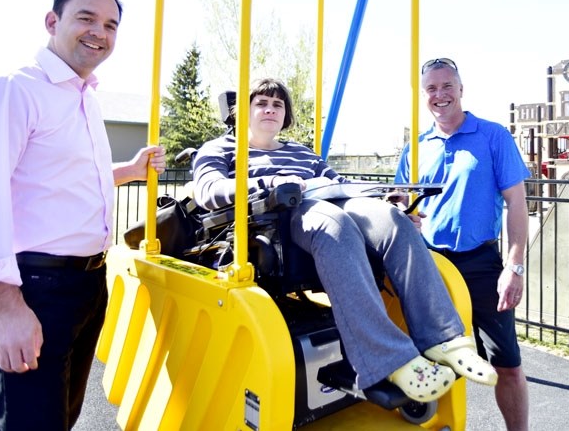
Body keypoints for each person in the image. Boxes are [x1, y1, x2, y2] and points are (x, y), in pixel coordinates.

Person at [192, 77, 497, 403]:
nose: (270, 109)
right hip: (279, 220)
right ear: (243, 112)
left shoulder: (302, 153)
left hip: (326, 205)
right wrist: (273, 183)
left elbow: (340, 184)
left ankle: (445, 338)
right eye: (261, 103)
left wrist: (386, 199)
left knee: (393, 221)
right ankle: (388, 359)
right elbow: (207, 190)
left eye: (277, 104)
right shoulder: (221, 149)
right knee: (334, 222)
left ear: (286, 114)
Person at [0, 0, 166, 430]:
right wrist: (6, 308)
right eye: (86, 18)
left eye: (110, 24)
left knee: (58, 419)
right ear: (53, 21)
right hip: (31, 288)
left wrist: (127, 169)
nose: (99, 32)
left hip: (84, 287)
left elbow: (63, 182)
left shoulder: (81, 95)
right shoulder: (12, 88)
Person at [395, 58, 531, 430]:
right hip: (432, 265)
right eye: (431, 89)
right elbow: (404, 204)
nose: (440, 95)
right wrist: (403, 213)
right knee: (434, 361)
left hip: (481, 264)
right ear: (424, 96)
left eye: (446, 86)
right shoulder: (417, 148)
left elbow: (517, 204)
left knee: (507, 364)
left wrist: (514, 266)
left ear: (460, 89)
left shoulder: (492, 136)